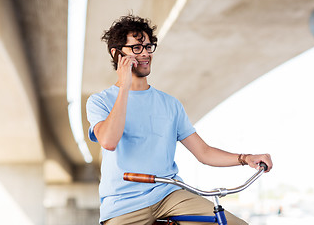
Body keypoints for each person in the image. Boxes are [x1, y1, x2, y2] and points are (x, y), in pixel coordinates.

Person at [86, 14, 273, 225]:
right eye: (137, 48)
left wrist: (245, 158)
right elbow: (109, 141)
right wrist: (125, 86)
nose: (145, 53)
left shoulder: (170, 104)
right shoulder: (100, 101)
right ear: (117, 54)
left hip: (168, 194)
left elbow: (203, 152)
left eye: (149, 46)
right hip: (124, 203)